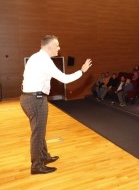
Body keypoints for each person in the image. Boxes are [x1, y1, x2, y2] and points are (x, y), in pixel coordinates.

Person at [20, 35, 92, 175]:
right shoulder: (45, 61)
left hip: (28, 98)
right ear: (49, 47)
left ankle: (44, 157)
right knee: (38, 133)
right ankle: (36, 165)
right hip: (36, 99)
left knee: (39, 130)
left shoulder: (34, 57)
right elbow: (64, 79)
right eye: (57, 45)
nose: (59, 48)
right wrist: (82, 71)